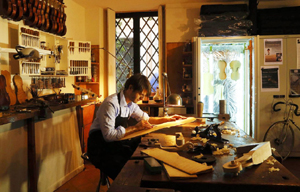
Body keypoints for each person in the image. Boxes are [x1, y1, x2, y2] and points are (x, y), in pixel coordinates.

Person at [87, 73, 184, 180]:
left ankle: (142, 180)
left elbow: (146, 119)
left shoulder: (131, 105)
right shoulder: (111, 104)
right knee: (126, 170)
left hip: (115, 143)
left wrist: (168, 119)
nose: (141, 98)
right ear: (130, 88)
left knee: (140, 152)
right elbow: (109, 136)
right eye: (140, 95)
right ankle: (127, 184)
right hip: (100, 146)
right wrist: (135, 128)